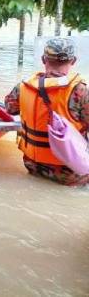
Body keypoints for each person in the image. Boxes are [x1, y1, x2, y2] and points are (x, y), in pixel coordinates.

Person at [5, 38, 89, 186]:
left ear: (44, 59)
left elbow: (10, 109)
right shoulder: (80, 91)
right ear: (73, 61)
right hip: (70, 173)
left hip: (33, 166)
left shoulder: (24, 87)